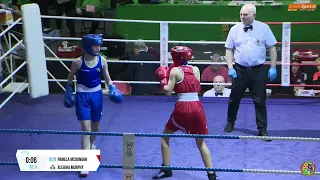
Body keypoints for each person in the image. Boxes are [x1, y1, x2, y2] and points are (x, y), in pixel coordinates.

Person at [152, 46, 217, 180]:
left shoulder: (175, 71)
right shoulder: (196, 69)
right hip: (197, 106)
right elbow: (195, 85)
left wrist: (162, 81)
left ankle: (166, 169)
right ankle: (212, 175)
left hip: (183, 107)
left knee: (165, 137)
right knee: (200, 143)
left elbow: (168, 91)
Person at [63, 34, 123, 177]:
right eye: (95, 45)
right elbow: (70, 77)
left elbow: (107, 77)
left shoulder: (102, 60)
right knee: (86, 129)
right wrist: (69, 89)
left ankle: (91, 145)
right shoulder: (77, 62)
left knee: (95, 128)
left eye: (99, 45)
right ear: (87, 46)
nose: (98, 48)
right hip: (82, 96)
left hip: (97, 96)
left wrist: (113, 88)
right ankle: (84, 163)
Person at [224, 4, 277, 139]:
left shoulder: (264, 28)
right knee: (234, 98)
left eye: (245, 14)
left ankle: (262, 129)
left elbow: (272, 48)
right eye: (241, 14)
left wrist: (273, 66)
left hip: (258, 70)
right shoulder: (235, 29)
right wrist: (230, 67)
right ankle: (230, 122)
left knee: (260, 100)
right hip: (239, 69)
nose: (242, 17)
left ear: (254, 15)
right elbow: (229, 49)